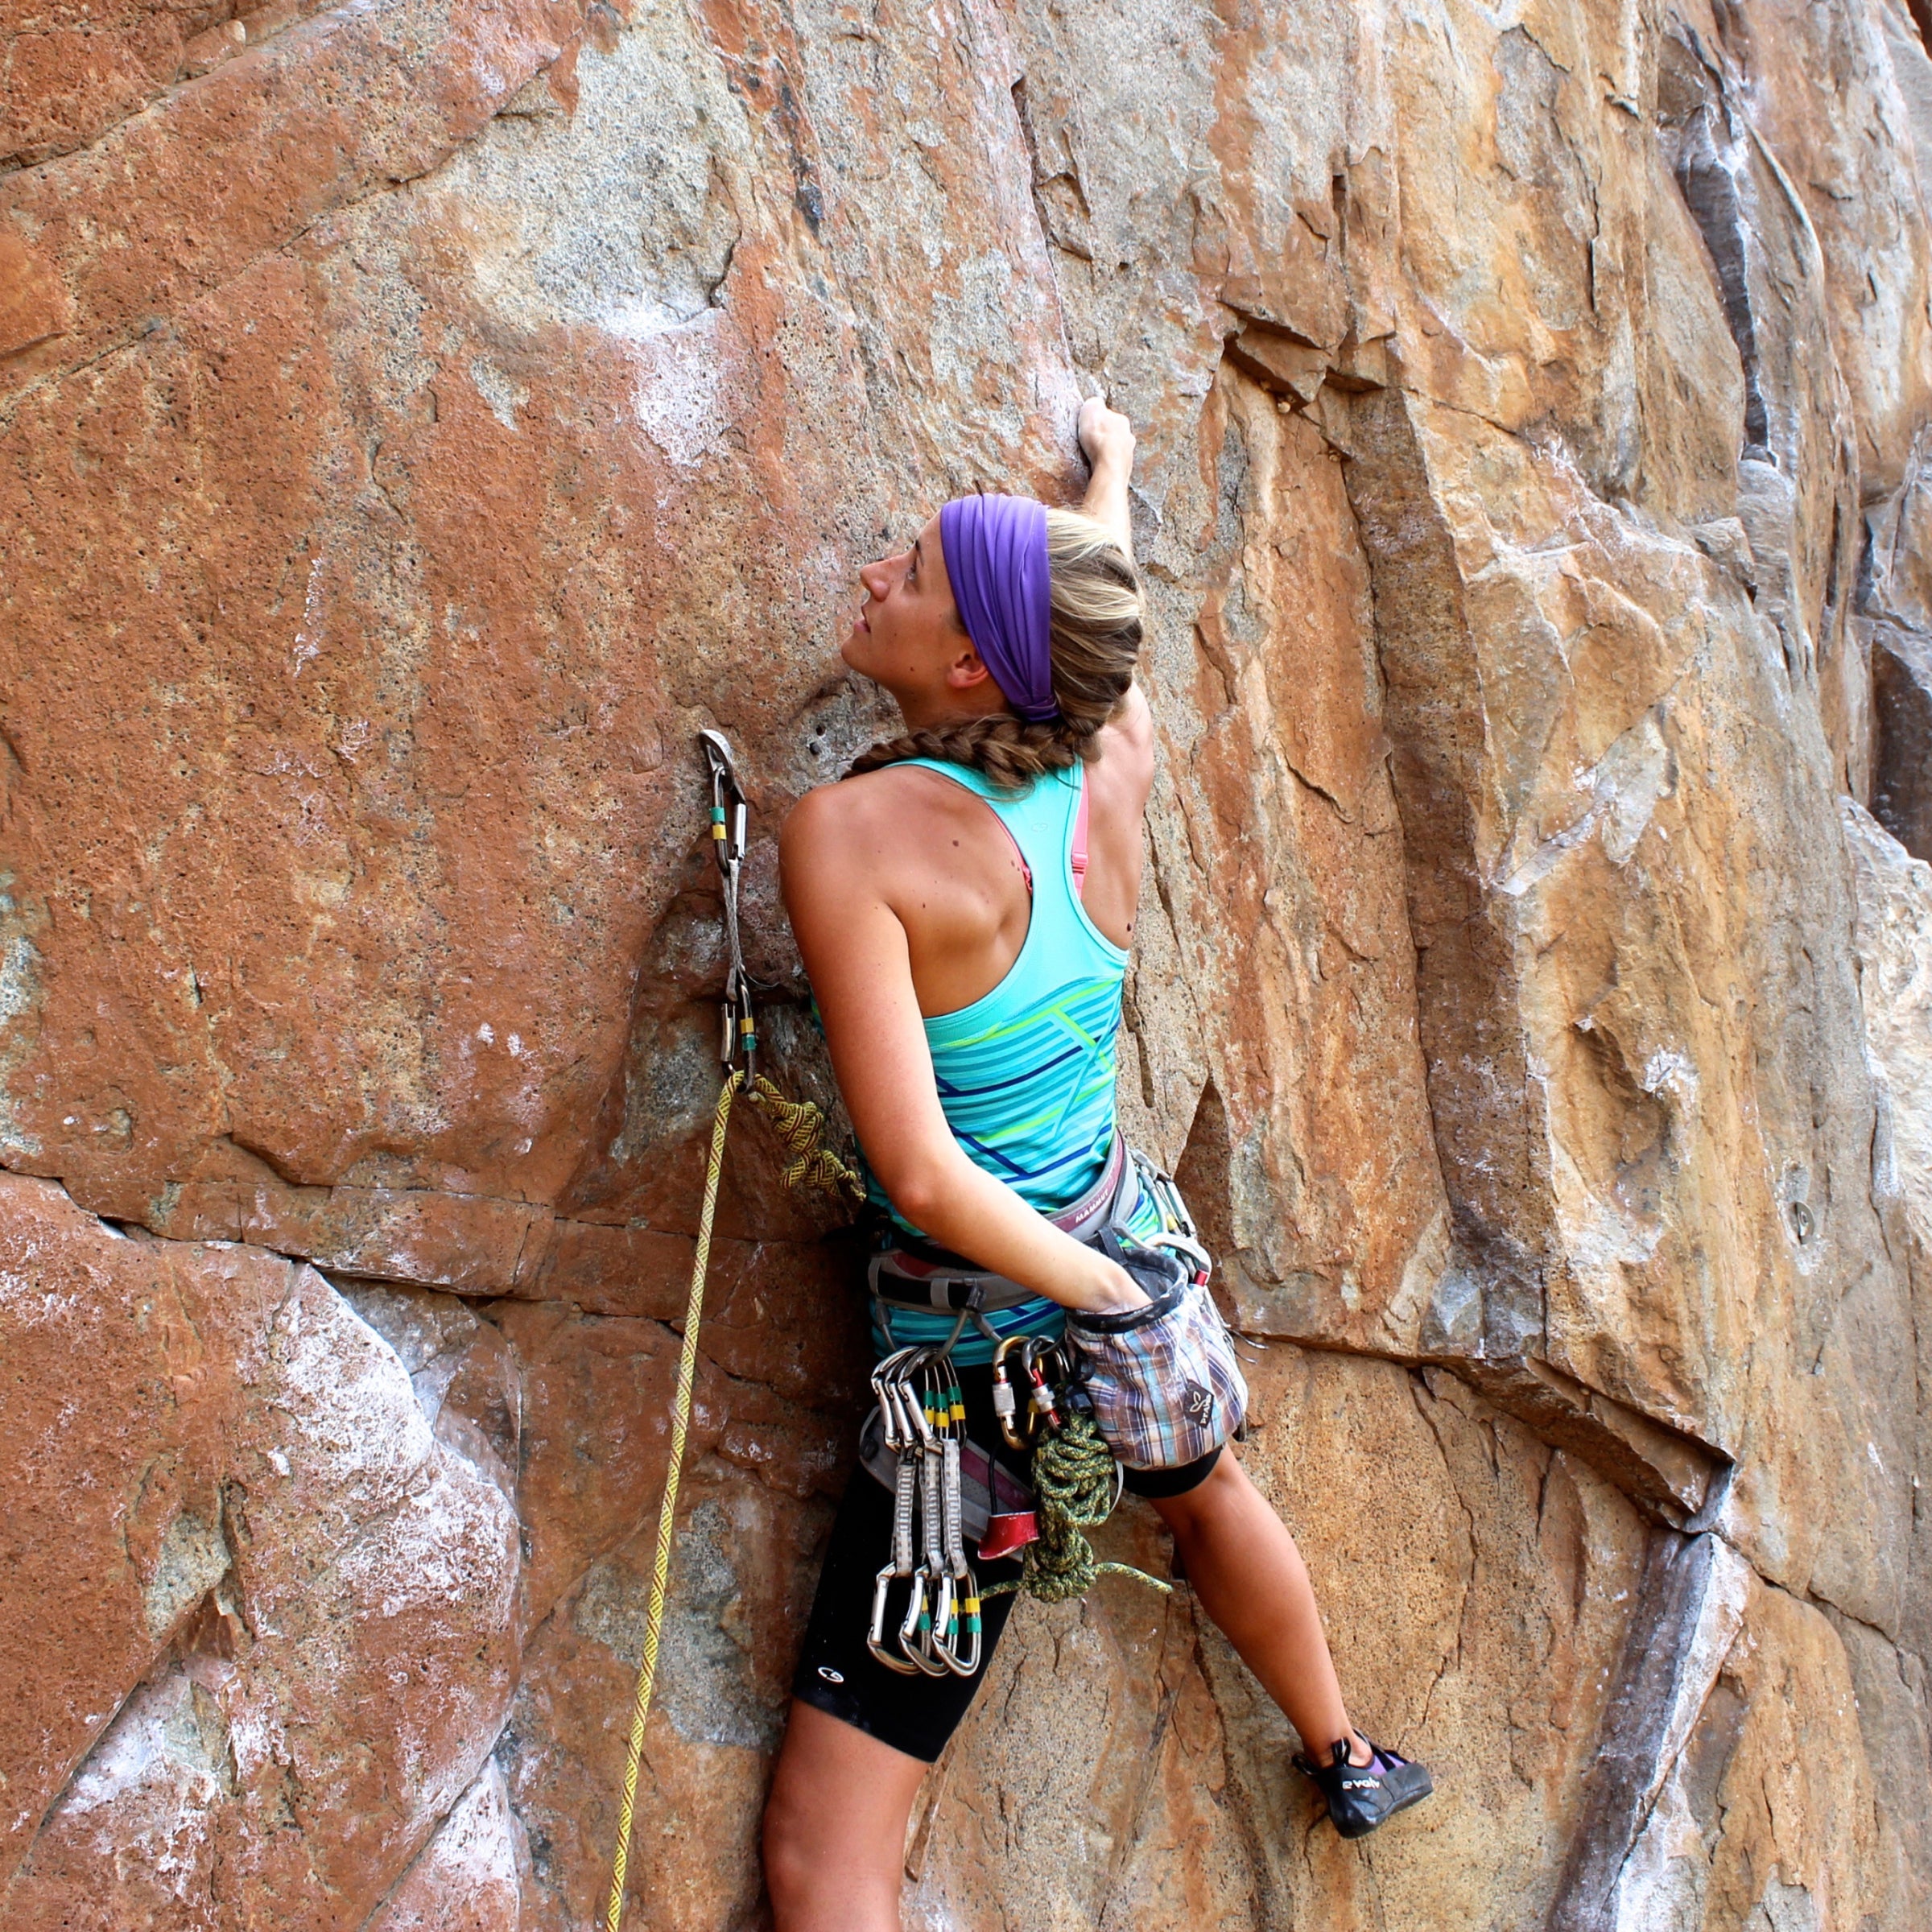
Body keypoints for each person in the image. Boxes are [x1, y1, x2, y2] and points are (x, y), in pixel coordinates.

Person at [762, 399, 1431, 1930]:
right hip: (1125, 1233)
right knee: (1204, 1491)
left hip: (977, 1370)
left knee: (825, 1863)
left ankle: (1339, 1739)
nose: (877, 572)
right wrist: (1109, 481)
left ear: (968, 671)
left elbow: (924, 1177)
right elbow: (1101, 641)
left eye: (913, 571)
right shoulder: (1103, 765)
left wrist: (1087, 1299)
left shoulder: (855, 841)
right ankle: (1347, 1745)